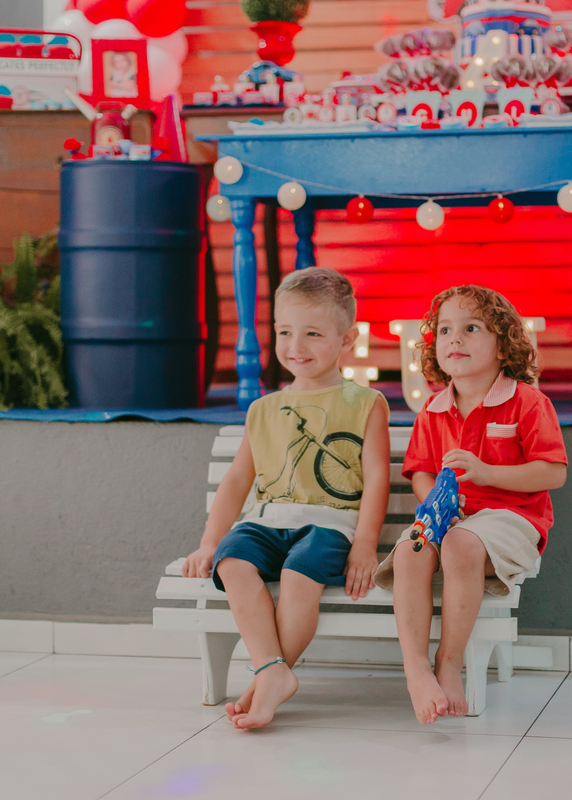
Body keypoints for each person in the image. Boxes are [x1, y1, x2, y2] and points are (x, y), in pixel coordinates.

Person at [183, 267, 390, 730]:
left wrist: (364, 544)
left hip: (329, 525)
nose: (295, 345)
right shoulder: (263, 409)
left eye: (313, 333)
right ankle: (272, 671)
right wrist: (208, 541)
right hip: (265, 521)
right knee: (232, 563)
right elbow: (237, 481)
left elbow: (376, 476)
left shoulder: (365, 402)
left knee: (299, 575)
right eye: (284, 331)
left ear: (346, 339)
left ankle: (266, 682)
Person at [374, 285, 567, 723]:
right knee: (410, 550)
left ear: (504, 345)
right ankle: (416, 668)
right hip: (455, 519)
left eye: (471, 328)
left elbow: (554, 472)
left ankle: (448, 660)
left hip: (512, 519)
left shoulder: (527, 402)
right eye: (444, 330)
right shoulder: (433, 410)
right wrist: (436, 504)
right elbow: (421, 471)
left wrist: (486, 473)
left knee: (460, 544)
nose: (454, 339)